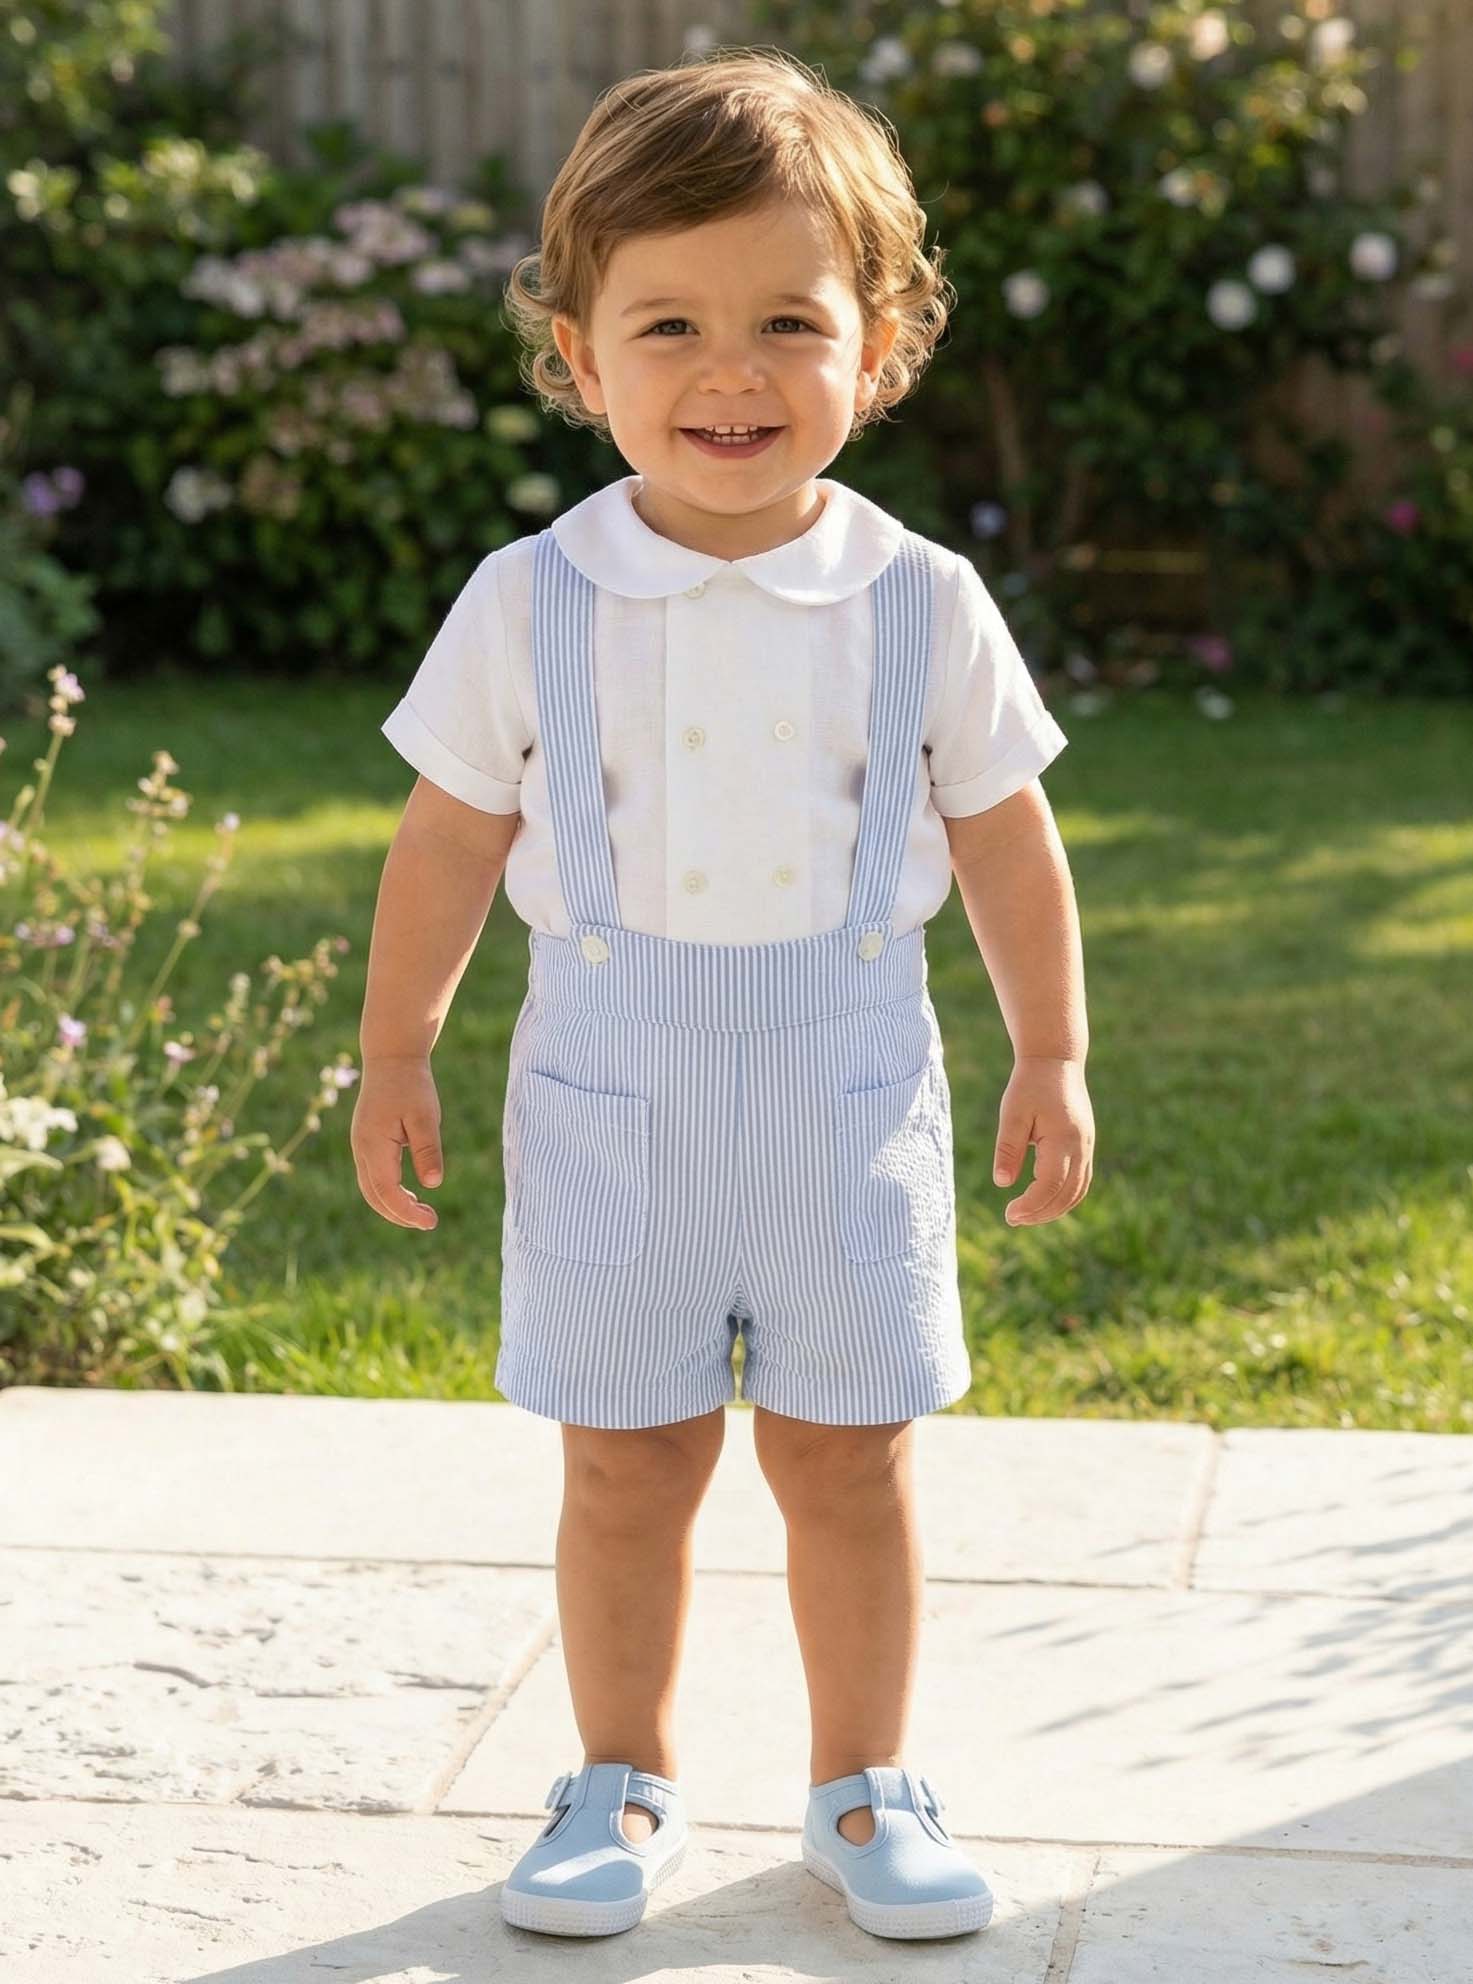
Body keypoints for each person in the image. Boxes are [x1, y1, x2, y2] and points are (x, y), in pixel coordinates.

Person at [353, 45, 1093, 1944]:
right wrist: (394, 1047)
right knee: (625, 1463)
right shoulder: (530, 599)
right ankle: (617, 1780)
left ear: (880, 346)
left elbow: (1005, 840)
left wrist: (1052, 1048)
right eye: (668, 325)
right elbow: (447, 840)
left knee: (848, 1460)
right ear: (580, 357)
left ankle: (864, 1788)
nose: (730, 372)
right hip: (614, 1101)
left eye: (789, 321)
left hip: (847, 1096)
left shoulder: (920, 600)